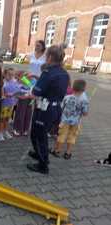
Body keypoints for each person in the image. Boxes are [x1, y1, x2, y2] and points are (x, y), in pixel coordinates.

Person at [27, 45, 69, 174]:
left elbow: (35, 92)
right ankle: (39, 154)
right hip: (55, 108)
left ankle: (43, 164)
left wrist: (27, 83)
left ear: (50, 57)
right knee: (38, 133)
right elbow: (51, 87)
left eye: (46, 56)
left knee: (39, 136)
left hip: (44, 109)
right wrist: (36, 78)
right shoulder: (64, 73)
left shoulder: (48, 72)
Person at [51, 80, 89, 159]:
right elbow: (85, 113)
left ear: (73, 88)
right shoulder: (84, 100)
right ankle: (68, 153)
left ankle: (57, 150)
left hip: (65, 120)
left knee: (62, 135)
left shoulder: (66, 97)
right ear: (84, 89)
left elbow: (61, 107)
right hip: (76, 122)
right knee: (72, 136)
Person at [0, 68, 20, 141]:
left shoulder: (14, 81)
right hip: (4, 104)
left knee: (7, 119)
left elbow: (21, 87)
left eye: (12, 75)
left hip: (11, 104)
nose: (11, 76)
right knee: (2, 119)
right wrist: (6, 95)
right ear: (4, 74)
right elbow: (2, 94)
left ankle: (5, 131)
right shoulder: (3, 83)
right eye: (9, 74)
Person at [13, 71, 34, 137]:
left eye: (30, 77)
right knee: (20, 115)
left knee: (28, 115)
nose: (30, 78)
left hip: (29, 101)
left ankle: (25, 130)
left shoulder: (30, 84)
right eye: (28, 76)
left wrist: (32, 96)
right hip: (22, 101)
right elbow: (15, 94)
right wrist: (22, 97)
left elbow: (34, 92)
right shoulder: (20, 83)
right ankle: (17, 129)